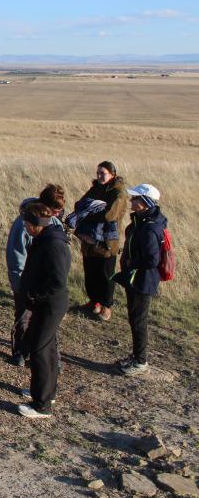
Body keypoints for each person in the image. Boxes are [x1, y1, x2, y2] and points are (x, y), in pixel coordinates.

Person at [17, 201, 72, 419]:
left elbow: (57, 281)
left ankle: (41, 405)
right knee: (46, 349)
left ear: (35, 224)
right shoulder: (45, 239)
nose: (24, 227)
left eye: (26, 223)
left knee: (39, 350)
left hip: (50, 305)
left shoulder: (53, 245)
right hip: (44, 303)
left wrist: (34, 295)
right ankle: (46, 392)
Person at [6, 184, 66, 366]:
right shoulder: (23, 223)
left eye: (60, 210)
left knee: (47, 320)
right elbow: (16, 256)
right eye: (55, 210)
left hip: (45, 285)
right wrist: (19, 286)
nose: (58, 214)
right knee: (23, 315)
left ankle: (49, 354)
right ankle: (20, 351)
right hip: (25, 281)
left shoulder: (54, 223)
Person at [114, 183, 167, 377]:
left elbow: (153, 259)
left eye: (135, 198)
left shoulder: (149, 229)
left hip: (143, 281)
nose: (131, 201)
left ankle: (140, 362)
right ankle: (137, 357)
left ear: (145, 203)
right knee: (135, 319)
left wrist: (130, 262)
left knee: (138, 321)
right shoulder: (143, 222)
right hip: (137, 279)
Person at [73, 161, 127, 322]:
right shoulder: (96, 188)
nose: (99, 176)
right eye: (98, 172)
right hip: (89, 239)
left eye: (102, 173)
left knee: (106, 275)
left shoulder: (119, 193)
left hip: (107, 241)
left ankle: (106, 306)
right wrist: (90, 209)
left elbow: (109, 215)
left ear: (113, 174)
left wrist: (88, 211)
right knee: (90, 271)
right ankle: (94, 302)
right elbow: (79, 205)